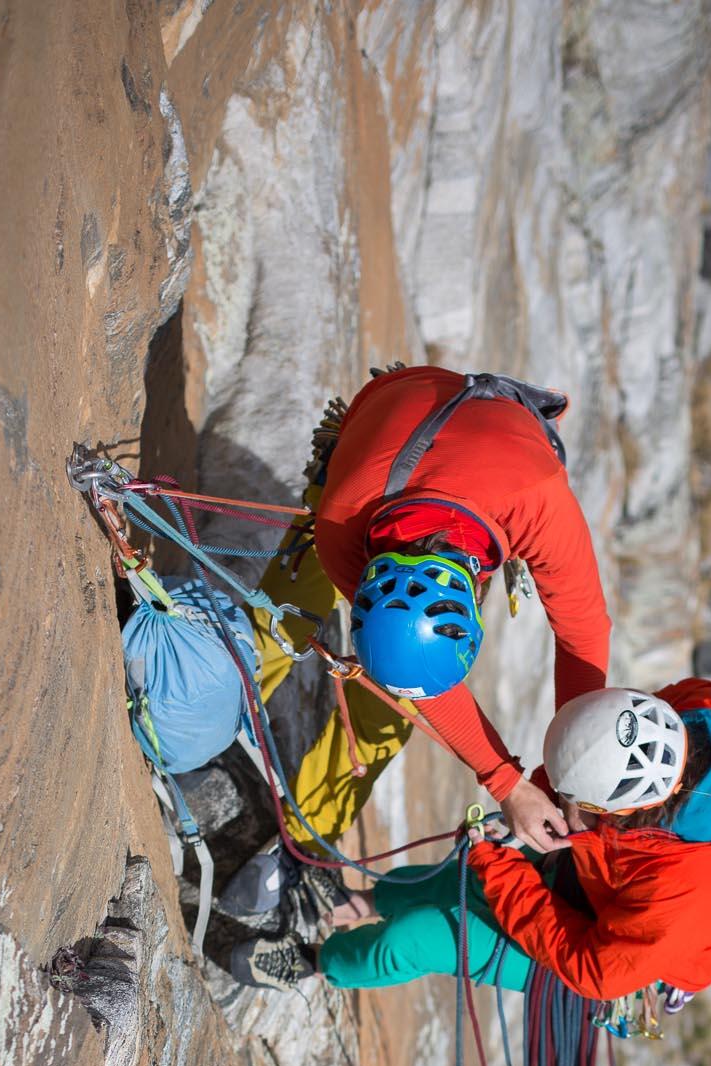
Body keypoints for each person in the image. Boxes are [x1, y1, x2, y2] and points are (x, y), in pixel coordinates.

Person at [224, 364, 613, 986]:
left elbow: (584, 635)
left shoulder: (542, 505)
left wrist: (572, 773)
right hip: (382, 454)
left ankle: (303, 837)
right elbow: (415, 678)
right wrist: (508, 783)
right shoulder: (342, 525)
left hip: (486, 475)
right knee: (287, 622)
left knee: (387, 706)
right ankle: (218, 706)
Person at [316, 676, 711, 1004]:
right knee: (459, 880)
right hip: (630, 878)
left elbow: (592, 967)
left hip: (622, 947)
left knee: (413, 940)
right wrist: (531, 797)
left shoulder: (679, 899)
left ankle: (314, 961)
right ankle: (351, 904)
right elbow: (596, 750)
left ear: (619, 812)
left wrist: (499, 864)